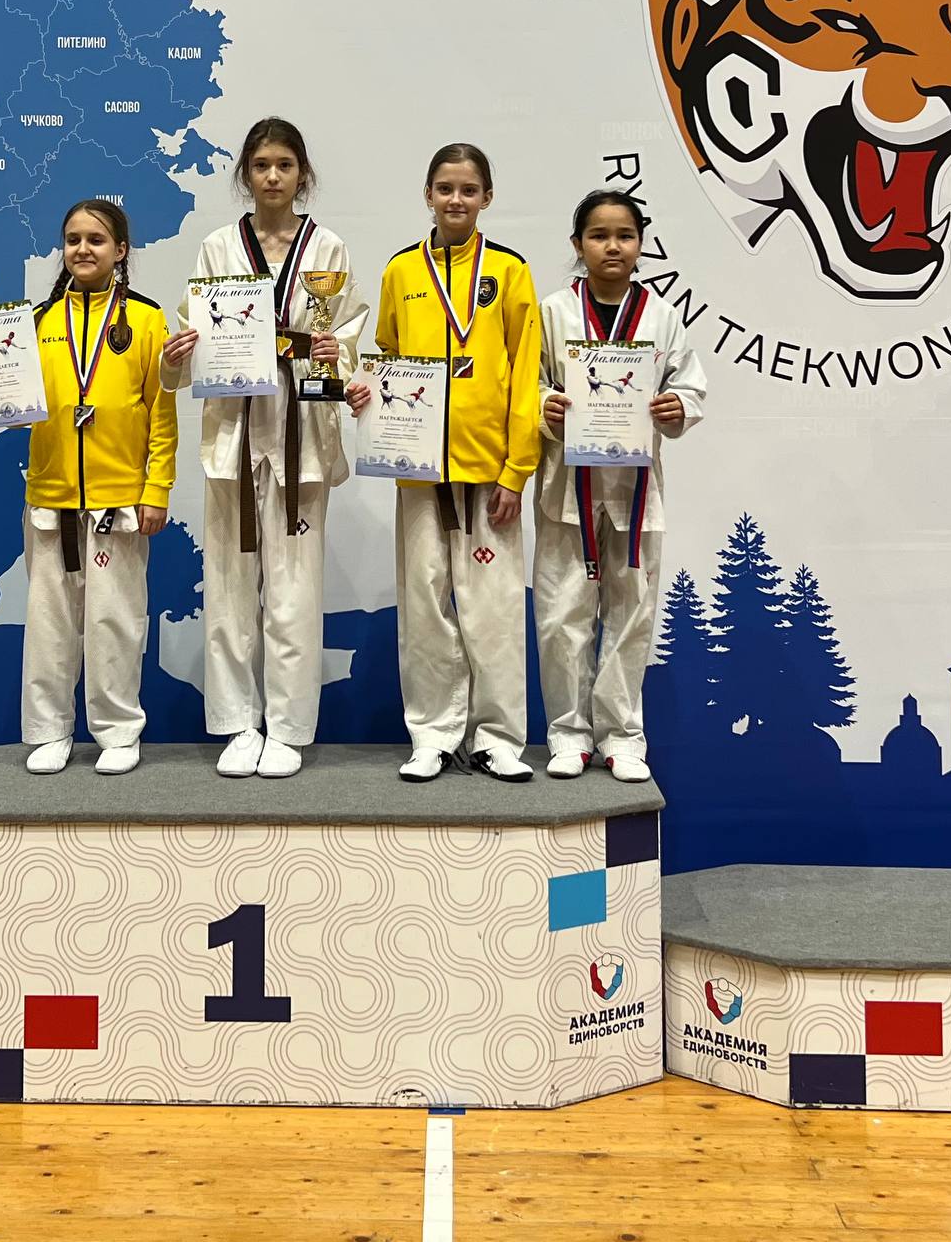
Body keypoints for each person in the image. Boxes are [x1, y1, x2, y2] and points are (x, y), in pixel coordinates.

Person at [0, 197, 176, 775]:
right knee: (49, 622)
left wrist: (157, 489)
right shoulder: (35, 324)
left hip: (119, 498)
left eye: (96, 240)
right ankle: (49, 730)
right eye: (73, 239)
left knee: (115, 621)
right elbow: (15, 413)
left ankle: (118, 731)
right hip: (50, 496)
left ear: (121, 250)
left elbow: (160, 412)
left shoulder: (147, 320)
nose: (83, 249)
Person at [162, 118, 365, 779]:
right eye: (260, 165)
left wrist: (331, 356)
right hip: (234, 432)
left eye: (284, 165)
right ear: (244, 174)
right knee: (228, 585)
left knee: (295, 589)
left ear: (302, 174)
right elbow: (196, 333)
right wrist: (183, 352)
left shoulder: (327, 247)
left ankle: (287, 726)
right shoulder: (219, 247)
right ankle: (236, 722)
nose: (272, 176)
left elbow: (342, 342)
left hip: (301, 431)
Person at [351, 143, 542, 782]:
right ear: (427, 195)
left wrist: (516, 470)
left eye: (468, 189)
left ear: (487, 197)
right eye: (445, 188)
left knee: (494, 608)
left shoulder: (510, 271)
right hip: (420, 471)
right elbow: (387, 355)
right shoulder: (401, 271)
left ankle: (497, 738)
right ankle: (432, 734)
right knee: (423, 604)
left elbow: (525, 375)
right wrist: (367, 397)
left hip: (489, 472)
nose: (455, 199)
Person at [534, 191, 707, 783]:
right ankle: (567, 733)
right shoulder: (554, 311)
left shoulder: (662, 315)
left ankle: (622, 735)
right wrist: (545, 406)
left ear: (640, 244)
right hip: (566, 489)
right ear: (578, 244)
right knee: (562, 615)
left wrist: (677, 405)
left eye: (625, 235)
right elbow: (528, 382)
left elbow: (690, 386)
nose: (613, 246)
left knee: (632, 611)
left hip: (636, 489)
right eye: (599, 235)